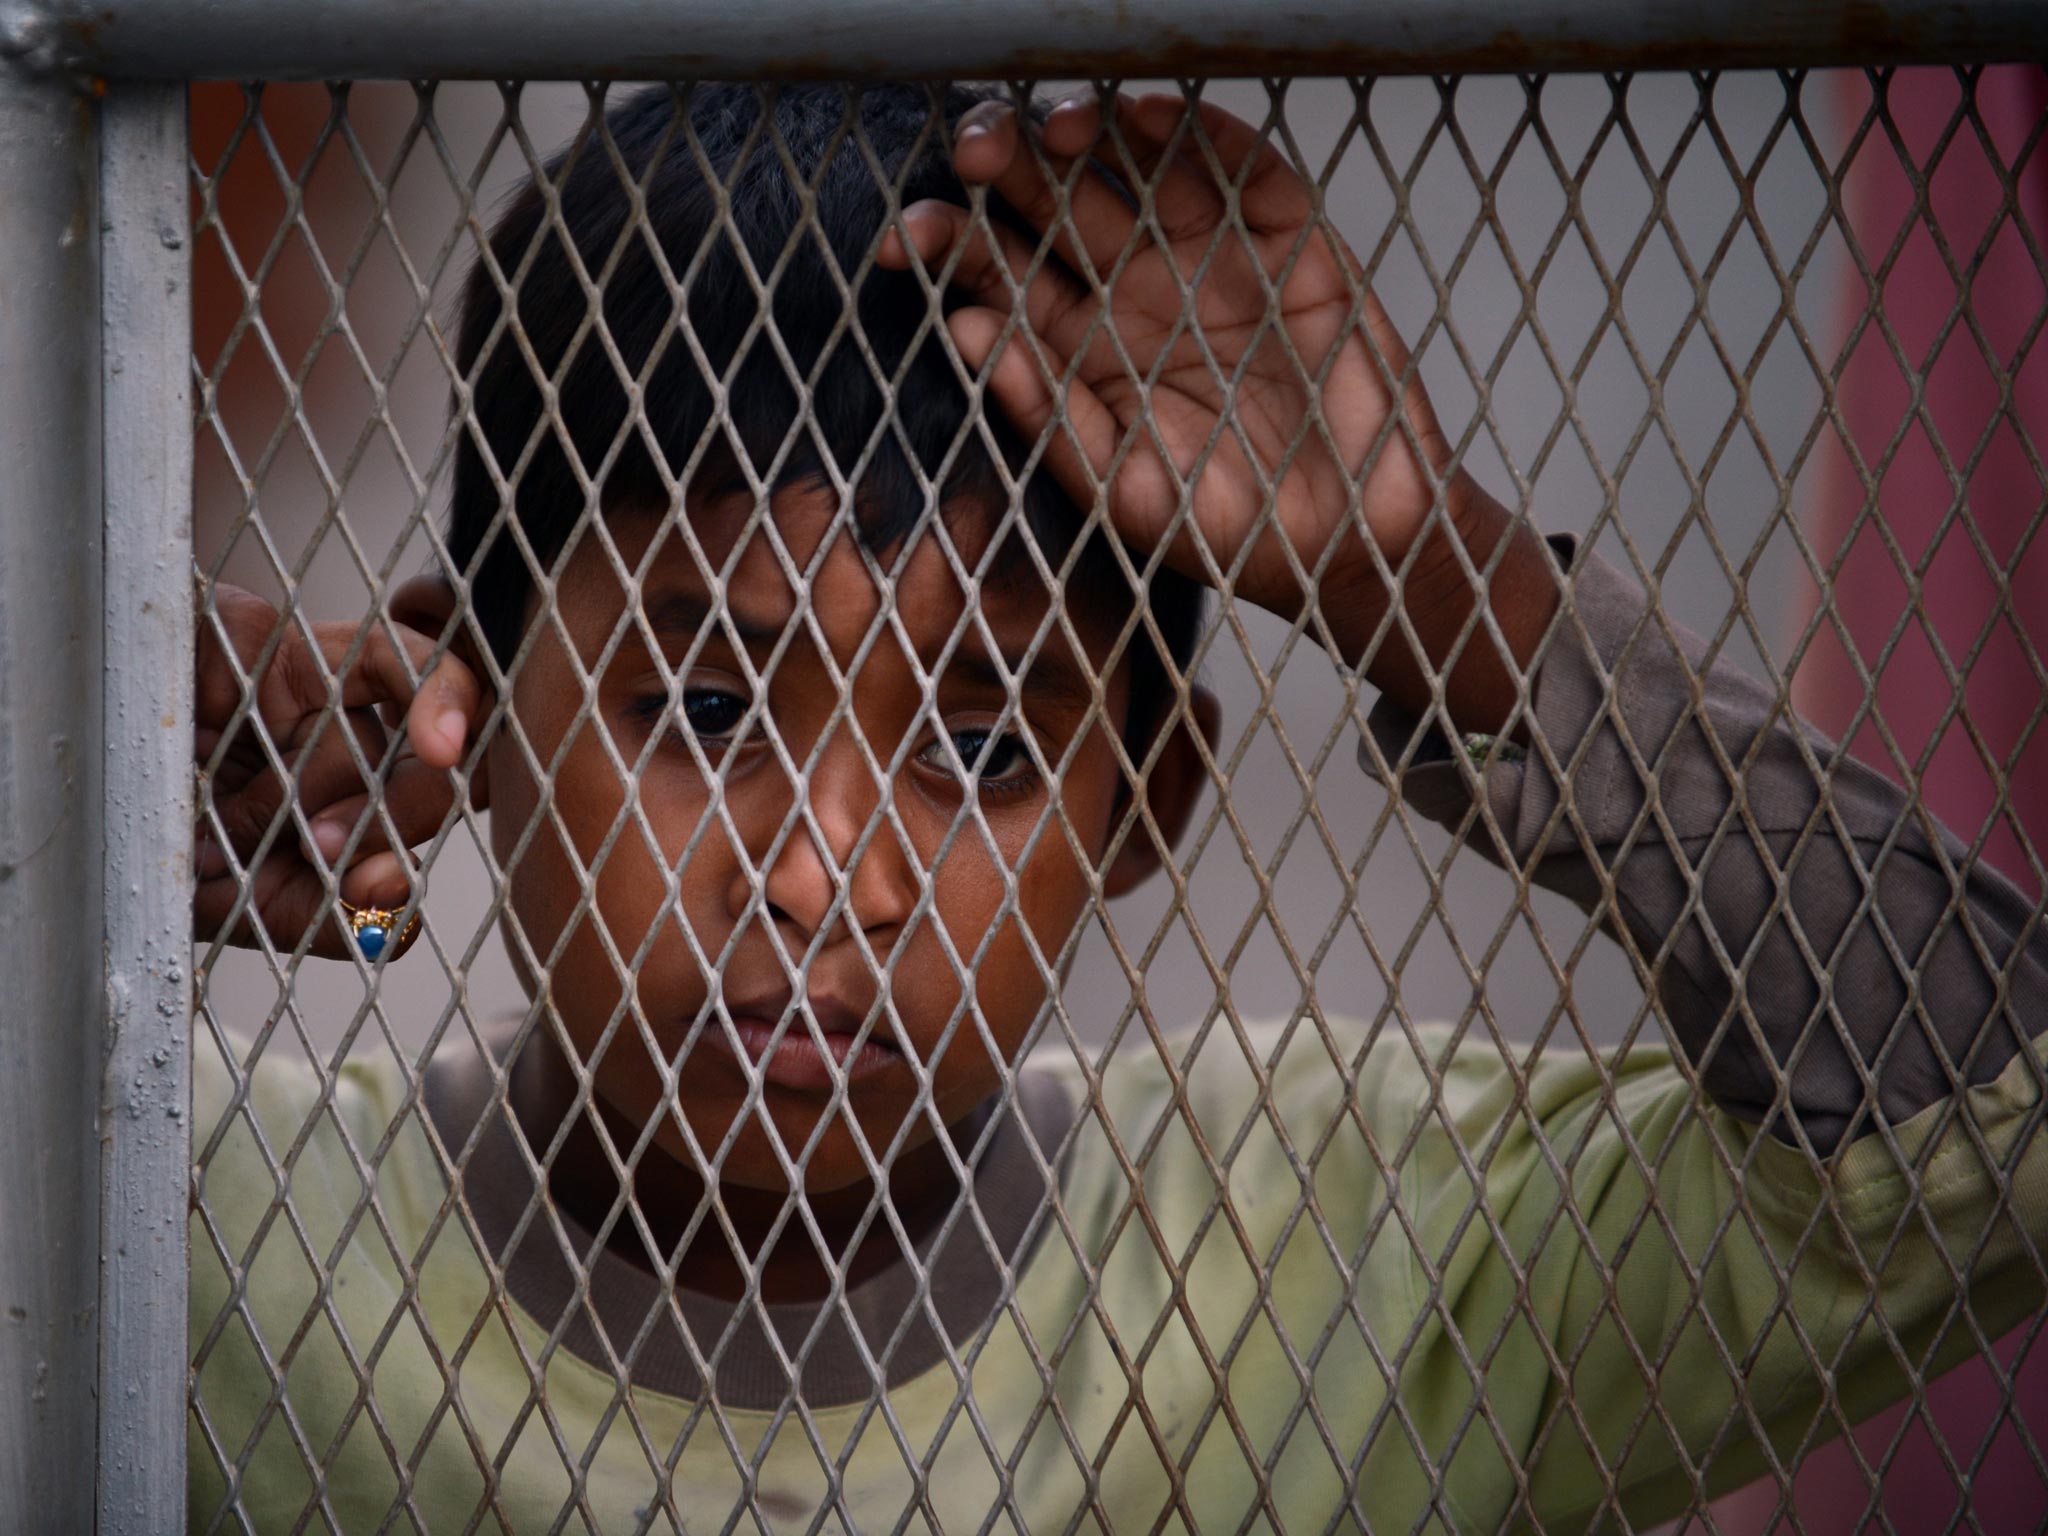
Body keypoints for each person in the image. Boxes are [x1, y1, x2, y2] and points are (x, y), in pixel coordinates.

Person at [187, 82, 2048, 1531]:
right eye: (700, 704)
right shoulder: (208, 1237)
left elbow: (1992, 1141)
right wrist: (80, 803)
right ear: (463, 709)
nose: (831, 869)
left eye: (986, 745)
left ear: (1146, 805)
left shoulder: (1328, 1265)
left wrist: (1444, 589)